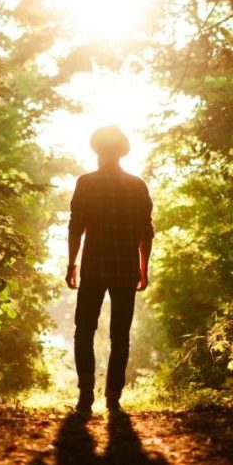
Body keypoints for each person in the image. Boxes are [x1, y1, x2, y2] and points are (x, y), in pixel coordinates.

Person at [66, 125, 154, 414]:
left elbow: (76, 228)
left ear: (97, 152)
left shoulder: (86, 183)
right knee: (120, 334)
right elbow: (146, 232)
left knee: (84, 330)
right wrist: (143, 269)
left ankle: (85, 394)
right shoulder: (137, 186)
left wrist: (71, 264)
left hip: (93, 268)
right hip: (126, 269)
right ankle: (113, 397)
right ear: (121, 153)